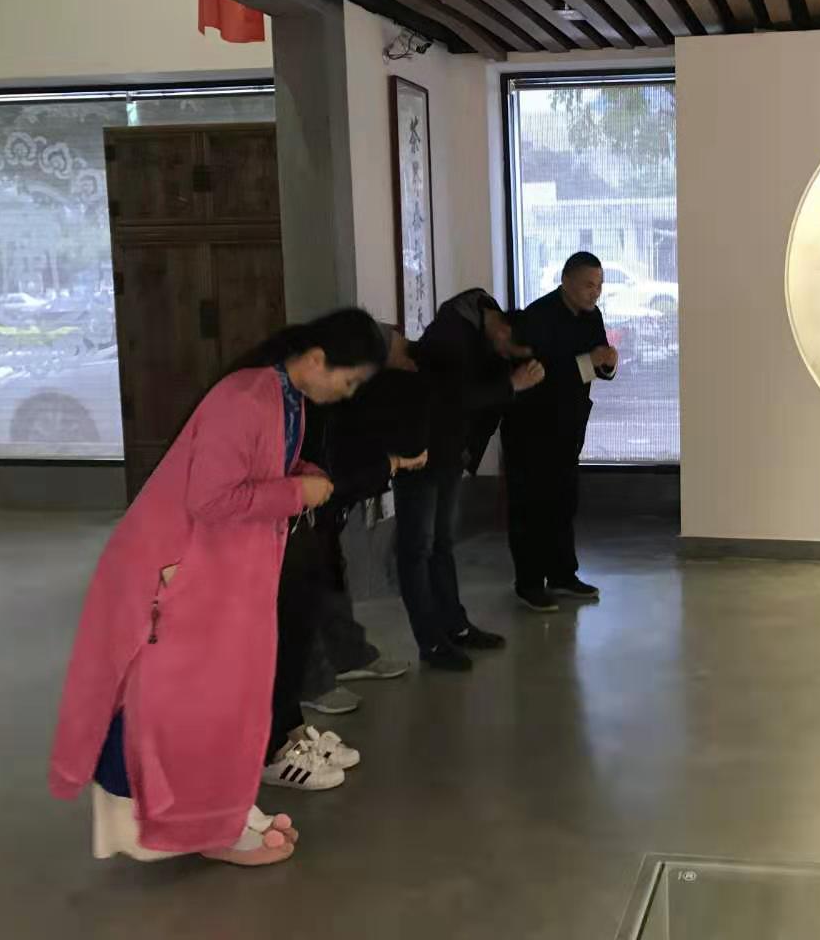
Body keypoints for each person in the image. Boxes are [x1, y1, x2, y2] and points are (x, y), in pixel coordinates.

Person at [49, 308, 386, 865]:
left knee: (217, 701)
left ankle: (215, 812)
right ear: (317, 359)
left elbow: (254, 466)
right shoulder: (245, 399)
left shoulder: (282, 397)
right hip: (178, 572)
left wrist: (299, 473)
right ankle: (166, 823)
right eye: (348, 382)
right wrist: (294, 494)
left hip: (217, 574)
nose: (346, 394)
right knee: (168, 702)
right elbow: (211, 497)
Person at [261, 373, 426, 792]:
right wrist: (386, 466)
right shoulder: (271, 399)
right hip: (275, 529)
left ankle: (291, 734)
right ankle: (274, 748)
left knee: (303, 614)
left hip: (301, 522)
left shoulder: (310, 404)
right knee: (284, 633)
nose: (350, 387)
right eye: (348, 377)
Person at [396, 289, 545, 669]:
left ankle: (455, 627)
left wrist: (467, 450)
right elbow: (448, 397)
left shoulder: (480, 320)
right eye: (508, 352)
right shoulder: (449, 335)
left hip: (447, 453)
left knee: (441, 543)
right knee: (417, 548)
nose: (505, 359)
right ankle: (431, 642)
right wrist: (511, 385)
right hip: (418, 451)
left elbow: (478, 401)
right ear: (502, 332)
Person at [500, 253, 618, 612]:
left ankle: (563, 574)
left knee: (564, 502)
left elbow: (595, 363)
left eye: (599, 285)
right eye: (588, 285)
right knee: (530, 506)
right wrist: (590, 361)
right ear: (566, 281)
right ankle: (529, 583)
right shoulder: (538, 316)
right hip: (530, 427)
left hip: (569, 426)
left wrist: (607, 364)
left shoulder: (592, 315)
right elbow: (539, 374)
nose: (595, 292)